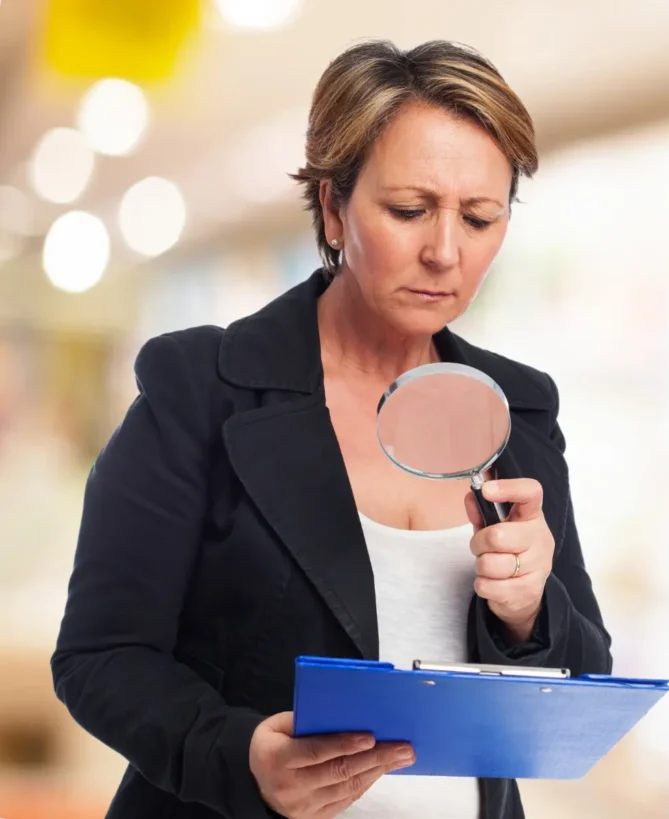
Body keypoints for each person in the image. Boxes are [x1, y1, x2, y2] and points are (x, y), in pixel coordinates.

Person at [51, 39, 612, 819]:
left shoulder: (516, 409)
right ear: (332, 207)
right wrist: (240, 753)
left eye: (481, 217)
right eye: (410, 210)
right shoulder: (202, 390)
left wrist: (528, 610)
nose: (445, 251)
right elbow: (99, 657)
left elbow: (584, 681)